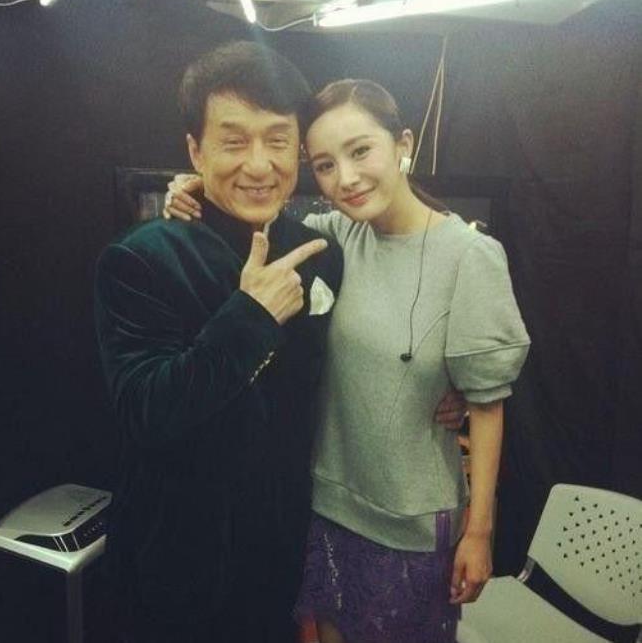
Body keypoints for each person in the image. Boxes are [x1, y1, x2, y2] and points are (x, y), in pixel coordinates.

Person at [96, 44, 464, 643]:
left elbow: (366, 345)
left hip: (285, 548)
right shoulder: (142, 259)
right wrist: (250, 315)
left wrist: (447, 387)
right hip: (179, 563)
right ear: (196, 151)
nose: (259, 165)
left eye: (277, 141)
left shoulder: (321, 249)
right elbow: (145, 412)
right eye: (233, 142)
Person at [165, 78, 530, 643]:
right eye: (326, 165)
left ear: (403, 144)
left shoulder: (469, 256)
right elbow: (250, 209)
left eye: (361, 151)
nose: (347, 178)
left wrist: (480, 533)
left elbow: (486, 405)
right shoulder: (330, 238)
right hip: (325, 506)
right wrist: (191, 186)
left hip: (409, 523)